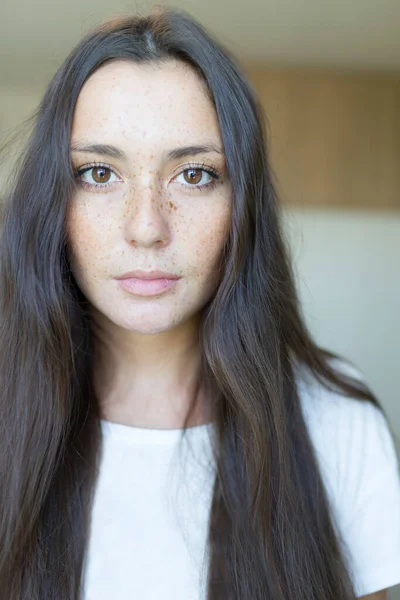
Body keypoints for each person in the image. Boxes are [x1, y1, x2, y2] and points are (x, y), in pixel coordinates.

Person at [0, 6, 399, 600]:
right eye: (99, 173)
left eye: (193, 175)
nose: (146, 228)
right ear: (51, 201)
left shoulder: (335, 422)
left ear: (243, 205)